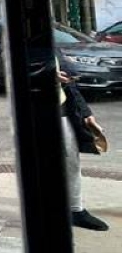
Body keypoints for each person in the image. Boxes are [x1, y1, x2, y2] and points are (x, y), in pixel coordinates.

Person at [60, 71, 110, 231]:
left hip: (63, 113)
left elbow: (69, 81)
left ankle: (75, 210)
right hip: (35, 112)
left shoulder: (53, 55)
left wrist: (86, 112)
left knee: (71, 163)